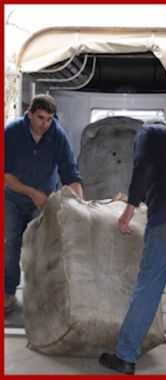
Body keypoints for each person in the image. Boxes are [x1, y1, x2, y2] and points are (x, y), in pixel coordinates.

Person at [99, 119, 166, 375]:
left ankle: (125, 355)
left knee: (147, 288)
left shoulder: (148, 132)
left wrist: (129, 208)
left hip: (165, 219)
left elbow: (145, 166)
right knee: (153, 287)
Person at [4, 94, 83, 311]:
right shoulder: (11, 133)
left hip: (43, 202)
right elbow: (5, 175)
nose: (45, 124)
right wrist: (32, 192)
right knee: (11, 243)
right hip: (13, 198)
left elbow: (71, 173)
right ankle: (8, 292)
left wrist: (81, 206)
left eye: (49, 119)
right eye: (40, 118)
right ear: (29, 113)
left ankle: (38, 293)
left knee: (40, 246)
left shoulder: (57, 135)